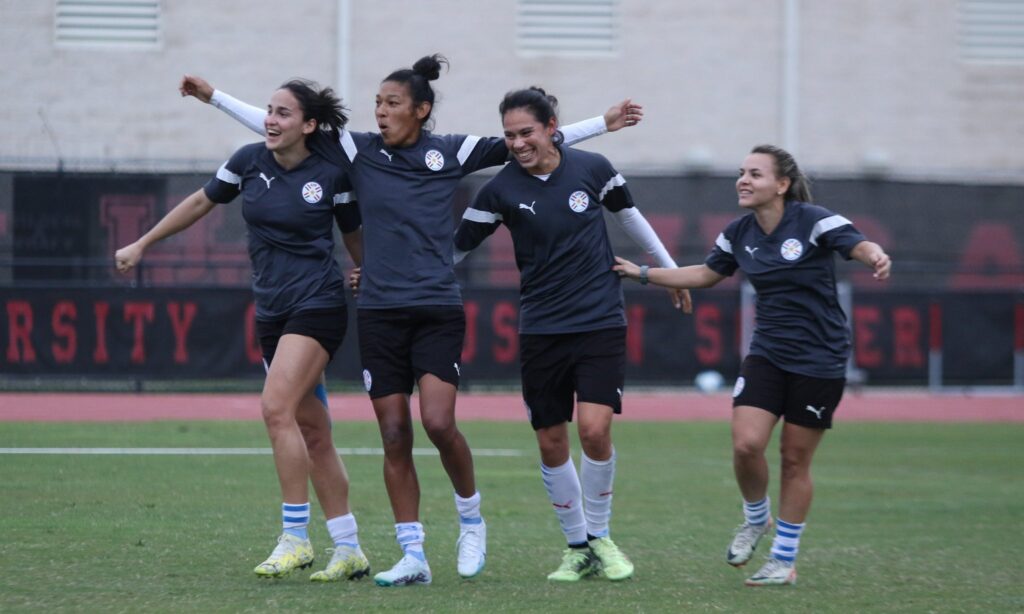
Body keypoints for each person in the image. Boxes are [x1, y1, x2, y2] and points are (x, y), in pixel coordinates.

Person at [179, 54, 643, 586]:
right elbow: (279, 126)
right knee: (395, 432)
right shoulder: (357, 149)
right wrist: (214, 97)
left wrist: (601, 125)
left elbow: (529, 144)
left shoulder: (452, 152)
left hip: (437, 308)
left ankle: (472, 521)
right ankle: (413, 554)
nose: (379, 111)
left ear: (420, 111)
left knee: (439, 422)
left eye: (392, 103)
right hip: (378, 310)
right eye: (377, 102)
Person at [115, 80, 372, 582]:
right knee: (315, 433)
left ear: (309, 125)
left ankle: (295, 539)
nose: (272, 120)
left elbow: (354, 234)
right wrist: (142, 243)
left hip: (317, 306)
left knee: (275, 409)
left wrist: (370, 273)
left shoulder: (332, 173)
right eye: (269, 111)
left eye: (284, 113)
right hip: (271, 312)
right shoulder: (248, 161)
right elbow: (198, 204)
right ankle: (350, 548)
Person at [613, 144, 892, 586]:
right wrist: (642, 274)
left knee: (794, 460)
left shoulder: (814, 219)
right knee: (746, 445)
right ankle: (756, 517)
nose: (743, 180)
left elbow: (858, 244)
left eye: (755, 174)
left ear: (781, 185)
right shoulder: (738, 232)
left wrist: (875, 256)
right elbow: (706, 274)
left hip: (821, 357)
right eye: (741, 172)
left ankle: (783, 560)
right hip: (768, 352)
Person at [452, 87, 692, 582]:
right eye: (509, 135)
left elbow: (632, 219)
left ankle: (601, 537)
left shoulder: (593, 169)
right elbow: (452, 251)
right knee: (550, 440)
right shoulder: (497, 191)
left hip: (600, 320)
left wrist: (671, 273)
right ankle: (576, 546)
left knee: (595, 431)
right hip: (541, 328)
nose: (517, 143)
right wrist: (391, 275)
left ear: (551, 127)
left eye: (526, 132)